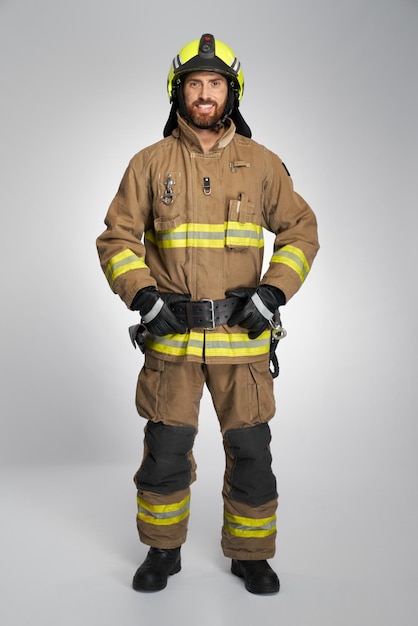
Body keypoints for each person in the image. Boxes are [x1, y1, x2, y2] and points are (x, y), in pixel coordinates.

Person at [96, 33, 319, 595]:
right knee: (165, 453)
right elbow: (117, 238)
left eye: (215, 84)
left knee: (251, 454)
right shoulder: (148, 163)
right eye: (194, 83)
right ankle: (161, 551)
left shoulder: (262, 164)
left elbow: (301, 231)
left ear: (231, 92)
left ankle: (251, 554)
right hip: (170, 344)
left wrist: (274, 292)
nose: (204, 94)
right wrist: (143, 295)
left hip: (242, 344)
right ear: (178, 91)